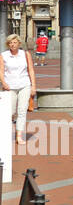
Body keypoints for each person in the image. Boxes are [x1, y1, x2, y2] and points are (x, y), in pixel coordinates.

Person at [1, 35, 35, 165]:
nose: (12, 45)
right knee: (9, 112)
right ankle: (5, 134)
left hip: (24, 85)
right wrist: (3, 83)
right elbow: (1, 71)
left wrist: (33, 86)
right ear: (8, 44)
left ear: (19, 43)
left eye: (15, 42)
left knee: (22, 111)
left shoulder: (25, 54)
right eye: (10, 43)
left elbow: (31, 70)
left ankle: (19, 136)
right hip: (10, 86)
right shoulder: (3, 55)